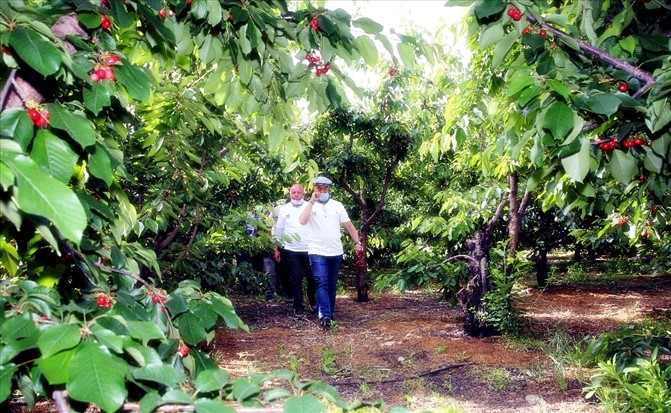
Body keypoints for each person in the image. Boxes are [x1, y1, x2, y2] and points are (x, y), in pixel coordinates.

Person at [299, 176, 364, 330]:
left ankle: (329, 313)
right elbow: (302, 220)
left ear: (329, 189)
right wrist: (311, 202)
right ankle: (325, 315)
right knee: (321, 282)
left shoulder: (337, 205)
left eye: (325, 188)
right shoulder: (309, 205)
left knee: (331, 284)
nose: (322, 191)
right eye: (319, 188)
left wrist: (357, 242)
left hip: (335, 251)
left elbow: (349, 225)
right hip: (317, 251)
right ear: (314, 189)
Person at [273, 184, 316, 316]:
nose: (296, 195)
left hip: (310, 249)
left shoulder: (310, 207)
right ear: (290, 194)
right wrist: (276, 248)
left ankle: (313, 301)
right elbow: (279, 229)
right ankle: (298, 307)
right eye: (293, 192)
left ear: (303, 194)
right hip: (291, 250)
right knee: (295, 278)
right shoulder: (283, 209)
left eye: (298, 192)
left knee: (312, 278)